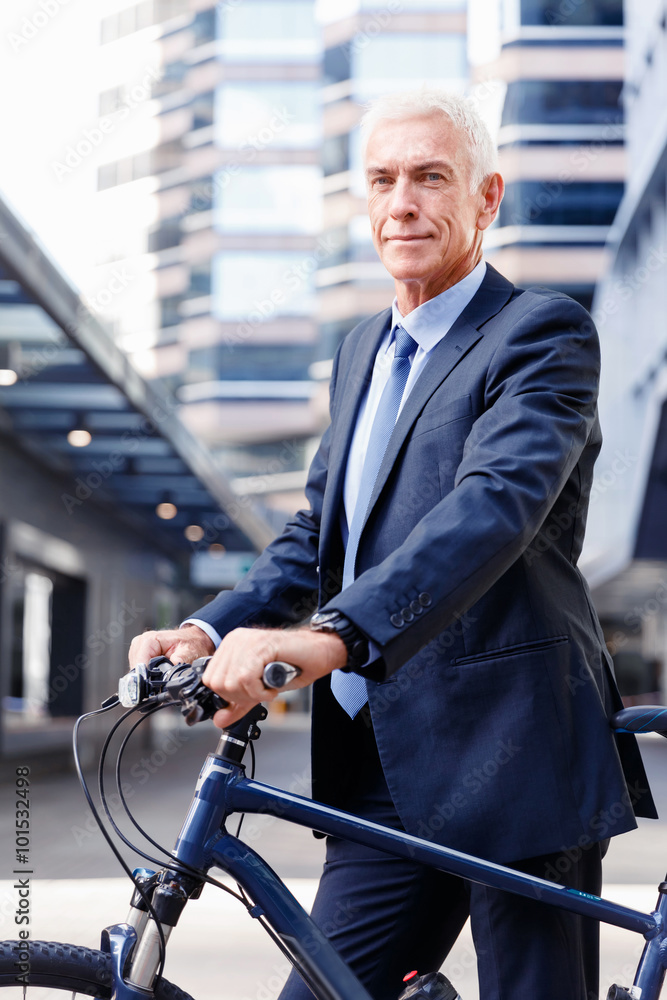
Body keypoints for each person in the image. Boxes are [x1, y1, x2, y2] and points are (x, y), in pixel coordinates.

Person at [129, 89, 656, 1000]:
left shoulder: (539, 334)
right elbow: (316, 535)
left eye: (429, 178)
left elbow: (492, 508)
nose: (401, 202)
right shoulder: (363, 348)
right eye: (381, 180)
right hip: (378, 770)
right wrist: (212, 631)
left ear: (486, 198)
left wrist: (328, 637)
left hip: (513, 755)